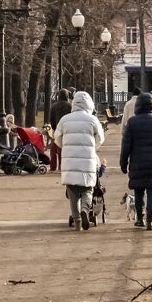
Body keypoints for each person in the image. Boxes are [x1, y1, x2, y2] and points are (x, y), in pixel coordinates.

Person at [55, 90, 105, 230]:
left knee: (72, 191)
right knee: (87, 189)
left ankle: (77, 220)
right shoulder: (92, 120)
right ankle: (85, 208)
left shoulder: (65, 119)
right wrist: (92, 147)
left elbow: (57, 137)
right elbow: (100, 138)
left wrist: (65, 145)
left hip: (69, 161)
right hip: (87, 160)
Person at [121, 93, 152, 230]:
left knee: (138, 191)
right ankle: (150, 216)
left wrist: (123, 163)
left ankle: (140, 218)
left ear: (138, 106)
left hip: (137, 163)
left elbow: (126, 145)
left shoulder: (132, 122)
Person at [47, 89, 72, 172]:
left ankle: (53, 167)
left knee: (53, 150)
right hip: (67, 130)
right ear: (67, 96)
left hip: (57, 129)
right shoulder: (70, 106)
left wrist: (54, 128)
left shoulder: (54, 106)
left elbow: (51, 119)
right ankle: (62, 166)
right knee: (63, 149)